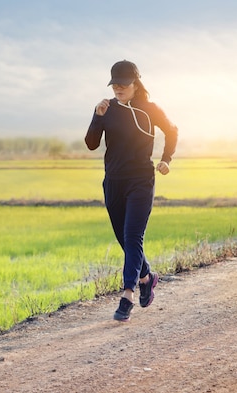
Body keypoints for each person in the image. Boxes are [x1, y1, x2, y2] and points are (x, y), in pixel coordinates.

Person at [85, 60, 178, 322]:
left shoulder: (149, 109)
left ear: (135, 83)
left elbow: (172, 131)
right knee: (124, 239)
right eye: (114, 83)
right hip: (113, 182)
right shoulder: (107, 108)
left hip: (140, 180)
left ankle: (127, 295)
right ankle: (147, 277)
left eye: (123, 84)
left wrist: (166, 159)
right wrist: (97, 116)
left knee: (133, 235)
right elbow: (92, 144)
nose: (117, 88)